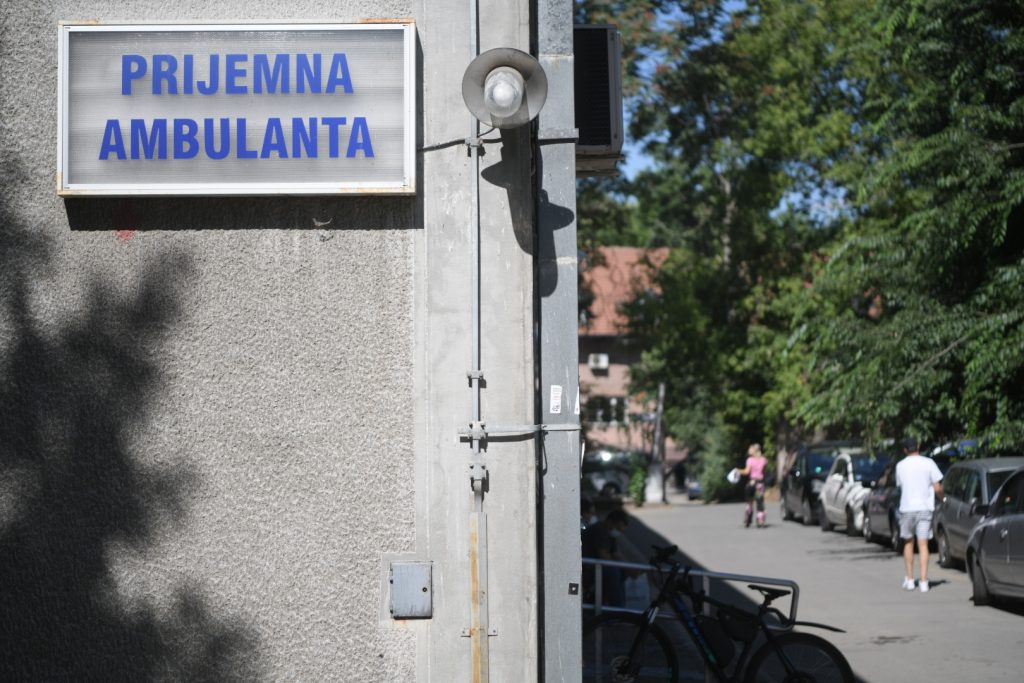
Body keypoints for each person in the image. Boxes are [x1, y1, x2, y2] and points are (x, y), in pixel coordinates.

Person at [895, 437, 944, 593]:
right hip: (924, 508)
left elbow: (900, 486)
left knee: (908, 543)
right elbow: (937, 487)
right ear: (918, 447)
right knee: (923, 544)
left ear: (904, 450)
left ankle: (910, 580)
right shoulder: (928, 463)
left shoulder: (900, 466)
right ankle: (923, 581)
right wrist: (943, 498)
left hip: (907, 508)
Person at [581, 508, 630, 606]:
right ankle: (617, 608)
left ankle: (612, 605)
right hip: (588, 568)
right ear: (610, 521)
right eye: (618, 528)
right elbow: (603, 555)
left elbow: (616, 553)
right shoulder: (599, 530)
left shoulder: (610, 534)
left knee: (621, 570)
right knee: (614, 571)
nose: (618, 532)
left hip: (596, 567)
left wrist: (630, 567)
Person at [738, 443, 768, 528]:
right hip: (760, 484)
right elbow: (763, 472)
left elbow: (747, 472)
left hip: (751, 483)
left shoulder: (750, 460)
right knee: (760, 502)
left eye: (750, 449)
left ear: (754, 450)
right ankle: (760, 519)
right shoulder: (764, 460)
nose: (748, 450)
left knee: (749, 501)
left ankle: (748, 518)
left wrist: (738, 471)